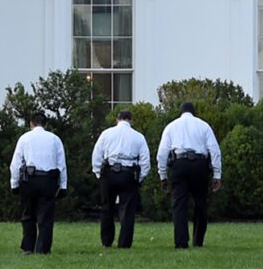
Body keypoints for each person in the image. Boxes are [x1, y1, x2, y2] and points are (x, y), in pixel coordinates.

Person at [157, 102, 222, 249]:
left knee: (179, 204)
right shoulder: (204, 126)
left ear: (180, 112)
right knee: (201, 203)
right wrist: (217, 174)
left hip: (179, 164)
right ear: (194, 112)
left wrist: (163, 175)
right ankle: (198, 240)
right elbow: (215, 150)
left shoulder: (171, 126)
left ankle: (181, 242)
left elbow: (162, 153)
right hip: (200, 165)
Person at [91, 109, 151, 249]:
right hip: (128, 174)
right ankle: (124, 243)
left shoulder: (106, 134)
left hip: (109, 173)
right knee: (128, 210)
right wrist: (139, 178)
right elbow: (145, 161)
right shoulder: (138, 137)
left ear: (117, 120)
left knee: (107, 208)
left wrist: (99, 174)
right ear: (132, 120)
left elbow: (97, 155)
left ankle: (106, 241)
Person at [9, 113, 67, 255]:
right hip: (48, 180)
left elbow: (16, 163)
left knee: (28, 214)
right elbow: (61, 164)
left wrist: (14, 183)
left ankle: (28, 247)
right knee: (45, 216)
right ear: (46, 124)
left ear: (31, 124)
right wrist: (63, 185)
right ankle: (43, 248)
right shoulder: (55, 139)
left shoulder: (25, 138)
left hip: (29, 179)